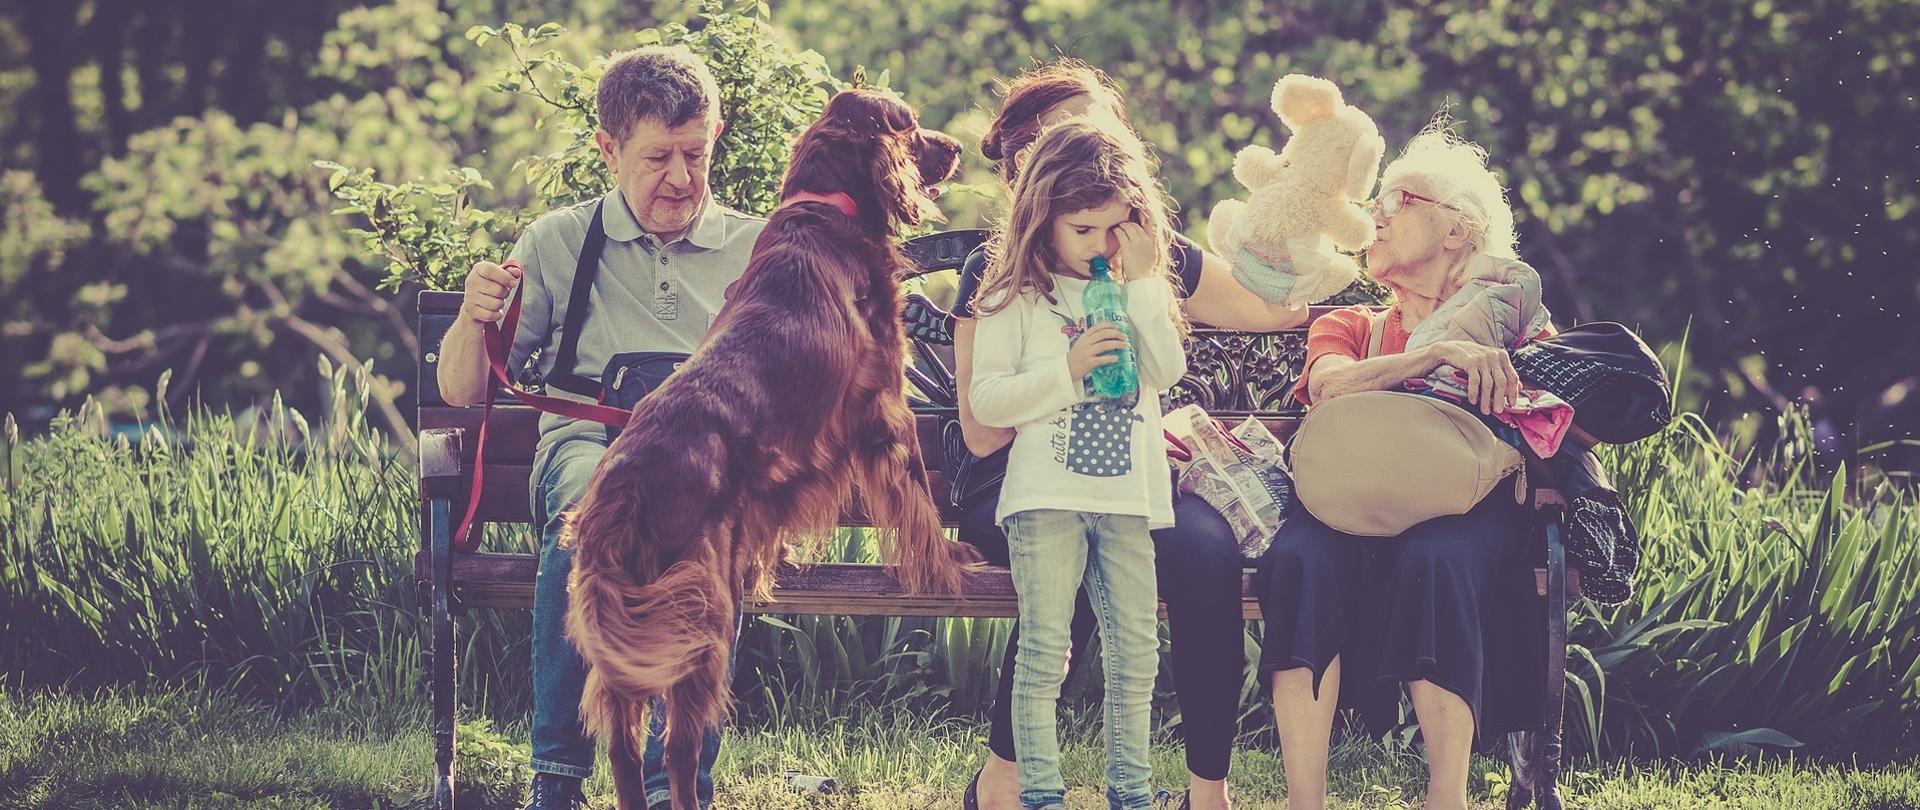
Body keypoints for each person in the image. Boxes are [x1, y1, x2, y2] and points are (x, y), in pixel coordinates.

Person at [955, 60, 1309, 810]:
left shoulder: (1147, 251)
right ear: (1032, 165)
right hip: (1020, 474)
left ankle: (1206, 791)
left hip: (1126, 472)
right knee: (1071, 548)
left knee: (1206, 550)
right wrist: (1069, 371)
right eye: (1072, 132)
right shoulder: (1001, 271)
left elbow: (1269, 311)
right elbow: (984, 430)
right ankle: (1006, 781)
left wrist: (1358, 279)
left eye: (1107, 127)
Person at [435, 46, 767, 810]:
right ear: (609, 150)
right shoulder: (558, 241)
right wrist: (471, 315)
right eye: (657, 158)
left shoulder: (754, 247)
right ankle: (556, 781)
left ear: (716, 134)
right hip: (590, 441)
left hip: (703, 460)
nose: (681, 179)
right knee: (589, 506)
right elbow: (460, 389)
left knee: (707, 525)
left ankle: (674, 785)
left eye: (696, 153)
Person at [1255, 122, 1549, 810]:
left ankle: (1446, 799)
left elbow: (1558, 416)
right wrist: (1432, 356)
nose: (1377, 216)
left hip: (1463, 510)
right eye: (1378, 204)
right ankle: (1306, 801)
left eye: (1402, 201)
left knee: (1437, 560)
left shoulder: (1511, 322)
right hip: (1346, 504)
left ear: (1458, 232)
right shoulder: (1352, 325)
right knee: (1300, 559)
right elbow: (1326, 386)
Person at [970, 118, 1190, 810]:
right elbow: (989, 400)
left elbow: (1168, 369)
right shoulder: (1017, 298)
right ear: (1044, 220)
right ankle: (1041, 795)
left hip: (1128, 500)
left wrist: (1148, 286)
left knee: (1136, 655)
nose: (1099, 246)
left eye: (1112, 230)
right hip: (1045, 500)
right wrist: (1066, 372)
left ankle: (1130, 792)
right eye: (1083, 230)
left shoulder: (1133, 293)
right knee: (1044, 655)